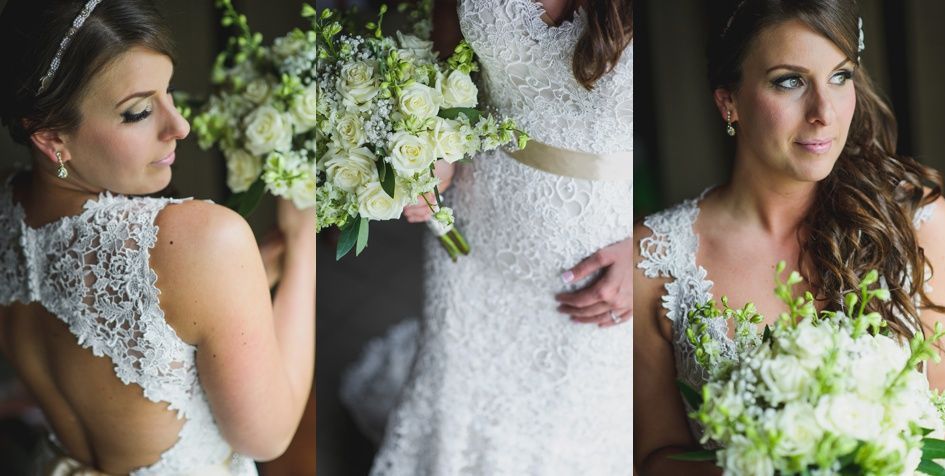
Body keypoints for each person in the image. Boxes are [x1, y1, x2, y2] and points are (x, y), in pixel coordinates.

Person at [633, 0, 945, 473]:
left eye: (840, 76)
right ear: (729, 101)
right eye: (790, 81)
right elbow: (654, 459)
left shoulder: (916, 219)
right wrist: (771, 459)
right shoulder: (654, 264)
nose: (824, 111)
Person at [0, 0, 316, 474]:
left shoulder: (6, 209)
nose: (180, 126)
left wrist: (236, 289)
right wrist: (303, 240)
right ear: (51, 140)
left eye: (169, 94)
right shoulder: (206, 241)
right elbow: (267, 438)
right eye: (140, 111)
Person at [341, 0, 634, 474]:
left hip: (601, 265)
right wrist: (440, 151)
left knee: (565, 422)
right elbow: (449, 66)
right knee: (458, 391)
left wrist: (642, 252)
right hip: (474, 233)